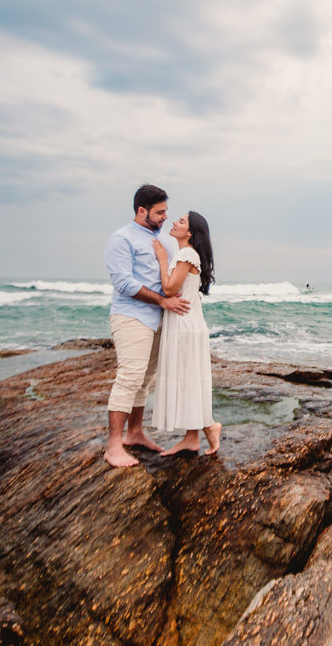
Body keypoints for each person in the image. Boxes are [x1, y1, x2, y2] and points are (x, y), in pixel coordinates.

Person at [103, 184, 191, 468]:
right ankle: (113, 446)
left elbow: (172, 277)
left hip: (160, 319)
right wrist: (162, 301)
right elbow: (124, 283)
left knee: (145, 379)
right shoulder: (122, 239)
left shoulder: (164, 240)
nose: (165, 217)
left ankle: (135, 433)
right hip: (132, 316)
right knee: (129, 376)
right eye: (160, 212)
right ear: (142, 210)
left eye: (166, 211)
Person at [151, 211, 220, 455]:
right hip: (187, 324)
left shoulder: (187, 254)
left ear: (190, 232)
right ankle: (193, 437)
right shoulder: (187, 254)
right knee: (187, 380)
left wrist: (162, 259)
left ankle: (207, 427)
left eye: (181, 221)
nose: (174, 222)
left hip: (184, 326)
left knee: (186, 379)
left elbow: (169, 289)